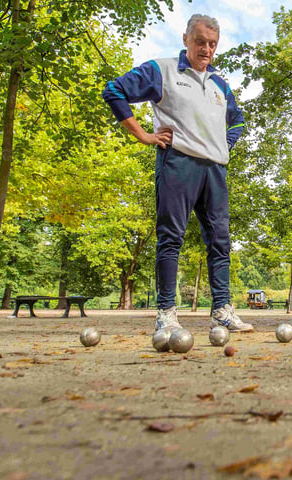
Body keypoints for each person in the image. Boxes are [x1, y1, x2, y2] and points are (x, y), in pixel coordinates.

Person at [102, 14, 253, 334]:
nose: (206, 49)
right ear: (186, 39)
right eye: (200, 42)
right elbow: (114, 91)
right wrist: (143, 135)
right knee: (171, 237)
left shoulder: (220, 84)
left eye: (212, 44)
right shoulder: (162, 70)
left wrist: (223, 145)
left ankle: (222, 309)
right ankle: (167, 312)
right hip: (178, 164)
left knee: (220, 242)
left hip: (215, 170)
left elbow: (238, 121)